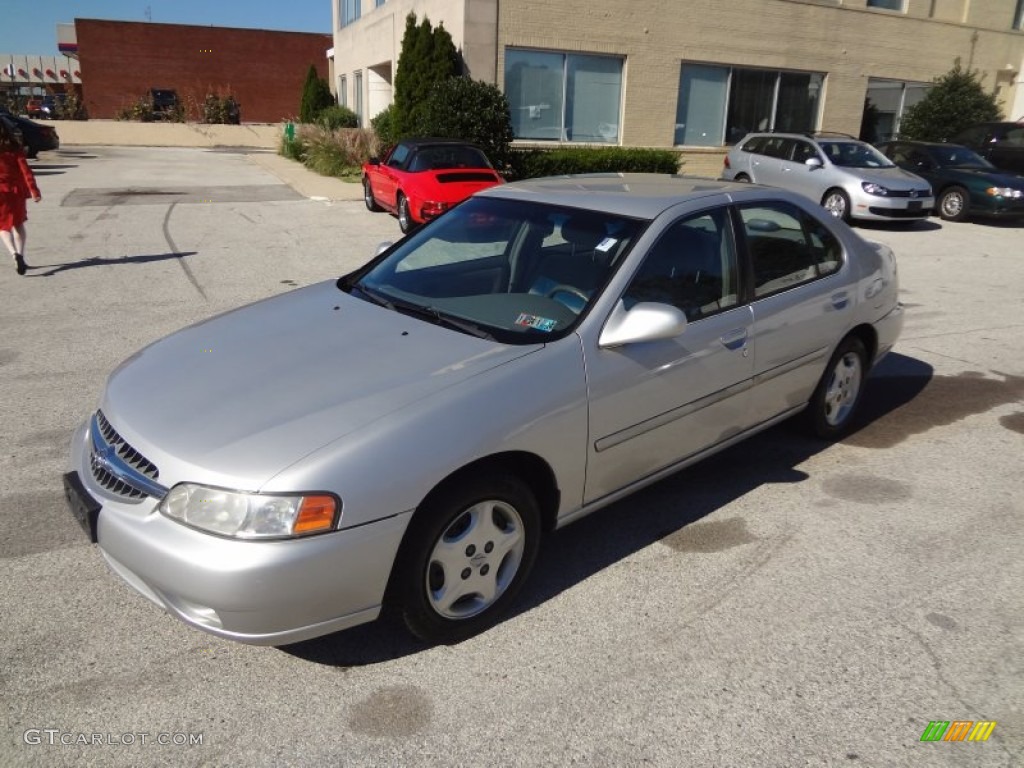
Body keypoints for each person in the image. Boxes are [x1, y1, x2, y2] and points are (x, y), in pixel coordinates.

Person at [0, 118, 42, 276]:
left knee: (3, 226)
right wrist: (34, 191)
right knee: (18, 223)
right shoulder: (14, 147)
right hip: (15, 191)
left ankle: (13, 254)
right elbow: (26, 171)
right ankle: (20, 254)